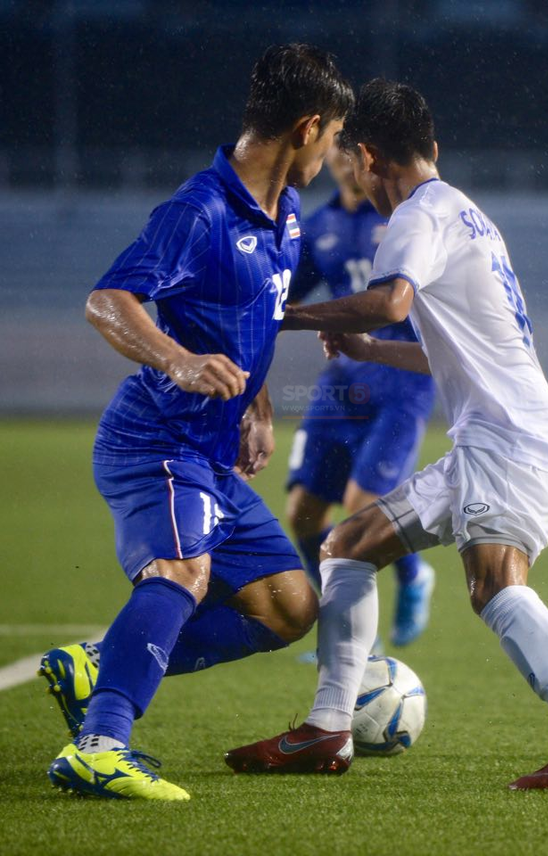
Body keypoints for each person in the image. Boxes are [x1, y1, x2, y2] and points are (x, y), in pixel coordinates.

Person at [224, 79, 548, 789]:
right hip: (498, 435)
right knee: (345, 545)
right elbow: (458, 349)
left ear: (372, 156)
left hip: (508, 442)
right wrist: (372, 349)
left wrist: (280, 315)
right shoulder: (466, 213)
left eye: (362, 166)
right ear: (434, 147)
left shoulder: (417, 213)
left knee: (495, 584)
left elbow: (390, 299)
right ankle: (327, 730)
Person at [39, 43, 353, 801]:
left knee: (290, 605)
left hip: (210, 448)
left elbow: (257, 318)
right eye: (337, 136)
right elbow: (108, 300)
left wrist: (258, 405)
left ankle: (97, 662)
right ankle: (101, 745)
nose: (337, 151)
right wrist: (178, 361)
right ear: (309, 127)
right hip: (156, 441)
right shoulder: (200, 210)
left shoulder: (285, 214)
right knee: (183, 571)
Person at [286, 144, 436, 647]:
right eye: (335, 148)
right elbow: (290, 295)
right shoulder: (318, 224)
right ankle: (341, 620)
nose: (343, 160)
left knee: (361, 504)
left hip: (401, 378)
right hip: (342, 383)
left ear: (370, 158)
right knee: (303, 511)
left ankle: (409, 582)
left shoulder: (404, 222)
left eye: (353, 150)